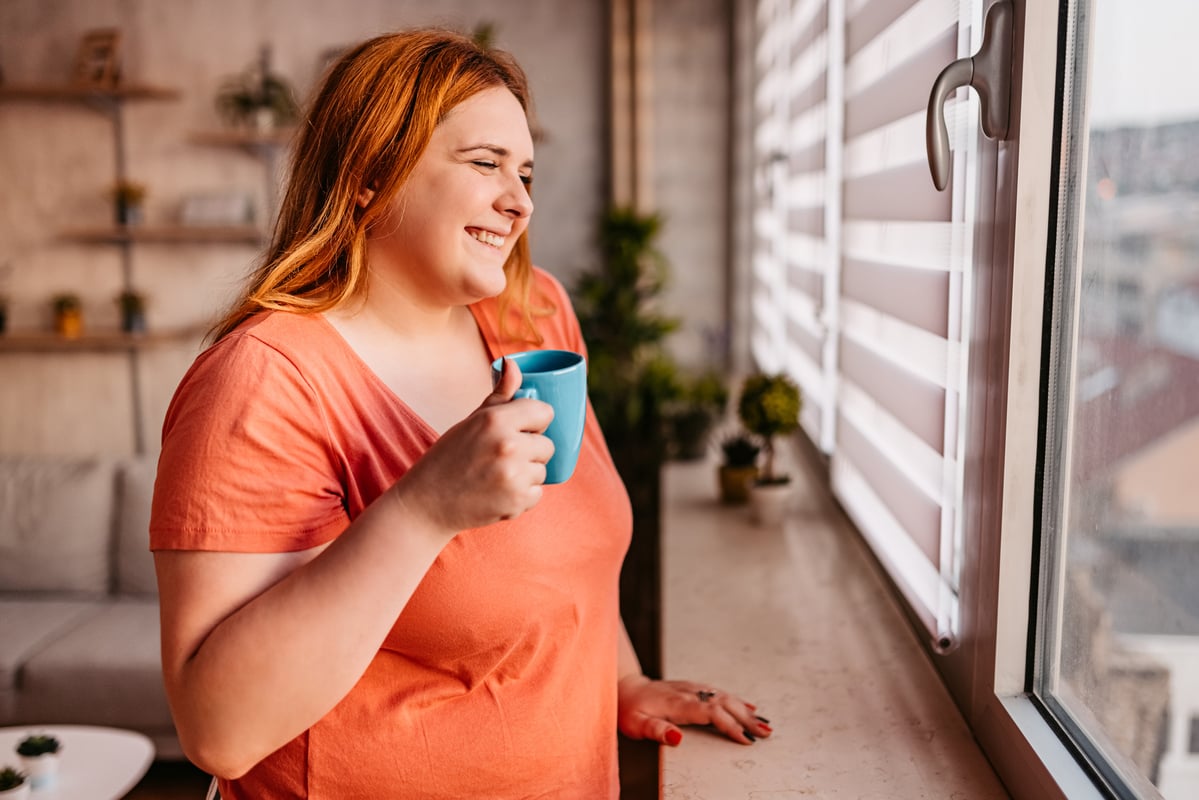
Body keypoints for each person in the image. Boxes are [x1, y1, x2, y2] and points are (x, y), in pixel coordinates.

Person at [150, 27, 771, 799]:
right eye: (485, 164)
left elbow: (568, 554)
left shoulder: (532, 314)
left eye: (526, 172)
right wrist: (420, 510)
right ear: (369, 173)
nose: (519, 201)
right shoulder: (262, 380)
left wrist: (623, 678)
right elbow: (219, 732)